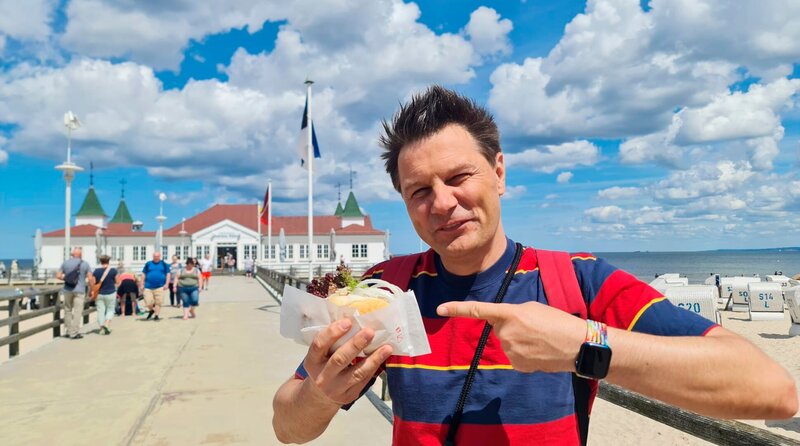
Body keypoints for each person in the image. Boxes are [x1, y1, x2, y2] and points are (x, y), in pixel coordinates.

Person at [272, 86, 798, 445]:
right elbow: (287, 425)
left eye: (460, 177)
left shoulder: (579, 280)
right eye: (418, 191)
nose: (442, 203)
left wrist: (584, 345)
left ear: (498, 172)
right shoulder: (385, 290)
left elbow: (770, 387)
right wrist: (319, 392)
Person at [56, 247, 92, 339]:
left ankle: (68, 331)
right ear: (81, 255)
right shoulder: (85, 264)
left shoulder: (65, 263)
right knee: (77, 312)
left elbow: (58, 275)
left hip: (67, 290)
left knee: (67, 310)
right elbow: (90, 278)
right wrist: (91, 289)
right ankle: (74, 333)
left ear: (72, 254)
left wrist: (67, 278)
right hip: (80, 291)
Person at [89, 255, 117, 335]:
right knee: (110, 309)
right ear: (108, 261)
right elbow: (118, 281)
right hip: (111, 293)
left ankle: (101, 329)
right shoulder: (113, 271)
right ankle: (106, 324)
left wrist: (92, 291)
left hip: (99, 294)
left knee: (100, 311)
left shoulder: (96, 271)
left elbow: (93, 282)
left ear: (101, 262)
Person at [141, 251, 170, 321]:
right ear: (153, 256)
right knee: (148, 302)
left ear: (160, 256)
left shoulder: (164, 264)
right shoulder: (148, 264)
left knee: (158, 302)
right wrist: (141, 284)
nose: (156, 257)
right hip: (148, 286)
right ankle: (152, 310)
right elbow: (143, 274)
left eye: (157, 256)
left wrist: (167, 284)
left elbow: (168, 274)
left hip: (160, 286)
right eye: (155, 256)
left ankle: (156, 316)